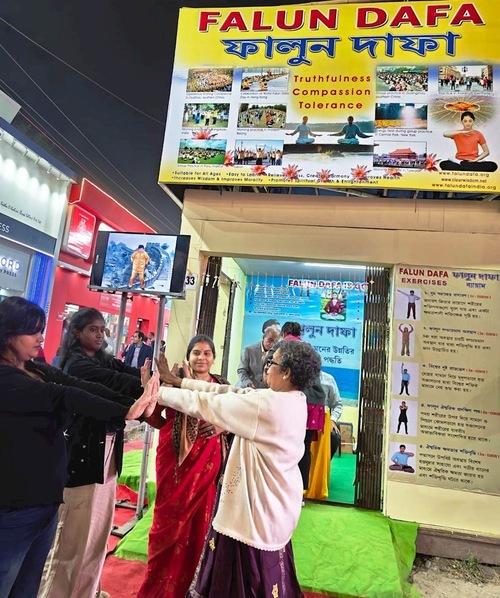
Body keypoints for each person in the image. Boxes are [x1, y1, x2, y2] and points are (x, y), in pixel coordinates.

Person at [0, 297, 156, 598]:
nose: (41, 338)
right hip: (16, 507)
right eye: (33, 332)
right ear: (8, 334)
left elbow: (82, 386)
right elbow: (66, 395)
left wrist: (132, 404)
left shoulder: (34, 367)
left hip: (45, 501)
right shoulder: (10, 379)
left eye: (41, 330)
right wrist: (126, 411)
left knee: (29, 584)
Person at [153, 339, 322, 597]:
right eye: (196, 353)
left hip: (253, 516)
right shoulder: (292, 398)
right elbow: (231, 393)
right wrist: (180, 382)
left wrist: (157, 392)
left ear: (287, 372)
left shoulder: (268, 406)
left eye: (272, 362)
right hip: (274, 509)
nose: (266, 366)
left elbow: (207, 404)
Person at [137, 335, 230, 598]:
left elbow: (236, 419)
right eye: (196, 352)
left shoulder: (222, 386)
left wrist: (222, 426)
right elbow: (154, 418)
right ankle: (160, 588)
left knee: (202, 527)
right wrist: (149, 395)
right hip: (175, 464)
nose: (202, 358)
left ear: (214, 358)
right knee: (168, 524)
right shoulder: (171, 380)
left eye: (207, 353)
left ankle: (193, 587)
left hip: (208, 465)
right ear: (188, 356)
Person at [278, 322, 325, 491]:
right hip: (315, 402)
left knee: (285, 445)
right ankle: (301, 490)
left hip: (297, 400)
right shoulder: (308, 347)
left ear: (283, 333)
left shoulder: (284, 346)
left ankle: (284, 487)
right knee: (305, 446)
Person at [236, 320, 280, 388]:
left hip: (262, 390)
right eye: (270, 340)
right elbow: (241, 370)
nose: (272, 344)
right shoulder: (248, 350)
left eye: (275, 341)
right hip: (245, 388)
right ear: (263, 337)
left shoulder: (275, 353)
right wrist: (248, 383)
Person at [320, 370, 343, 459]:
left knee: (334, 437)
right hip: (304, 420)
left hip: (325, 420)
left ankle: (325, 462)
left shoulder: (328, 379)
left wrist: (332, 420)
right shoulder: (299, 378)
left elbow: (338, 405)